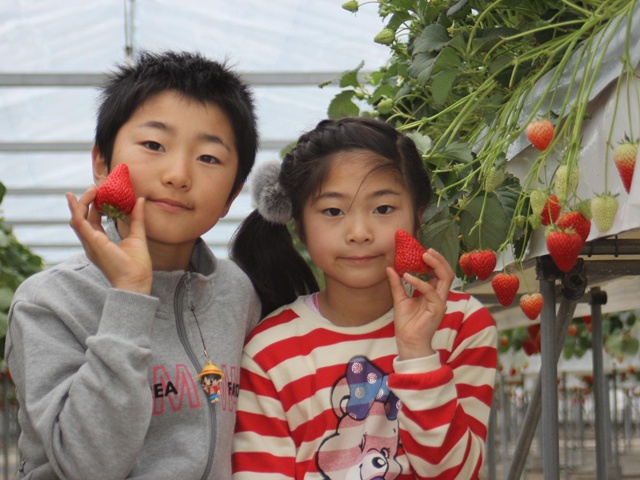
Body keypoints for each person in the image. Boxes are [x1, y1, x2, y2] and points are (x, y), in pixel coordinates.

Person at [5, 50, 261, 479]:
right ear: (102, 164)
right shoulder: (49, 302)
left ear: (231, 197)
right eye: (154, 145)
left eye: (209, 158)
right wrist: (129, 295)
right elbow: (87, 466)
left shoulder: (238, 294)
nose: (178, 174)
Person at [231, 117, 498, 479]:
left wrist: (418, 353)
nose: (359, 233)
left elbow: (454, 472)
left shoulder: (461, 324)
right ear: (300, 229)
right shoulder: (269, 352)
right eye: (333, 211)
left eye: (383, 209)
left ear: (418, 218)